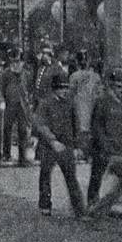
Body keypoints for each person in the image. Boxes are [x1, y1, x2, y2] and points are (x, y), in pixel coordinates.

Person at [32, 71, 87, 218]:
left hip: (66, 145)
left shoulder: (70, 102)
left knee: (71, 177)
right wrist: (51, 140)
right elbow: (40, 124)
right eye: (61, 88)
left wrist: (78, 146)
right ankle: (45, 205)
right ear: (54, 88)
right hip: (49, 146)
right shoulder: (45, 103)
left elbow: (76, 125)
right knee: (45, 175)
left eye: (65, 88)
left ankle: (79, 209)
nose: (64, 91)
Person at [87, 68, 122, 214]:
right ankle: (92, 204)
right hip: (104, 148)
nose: (120, 90)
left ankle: (103, 206)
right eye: (117, 86)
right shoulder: (102, 102)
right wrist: (104, 146)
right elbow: (96, 127)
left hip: (120, 148)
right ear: (110, 85)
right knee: (97, 176)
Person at [0, 49, 33, 167]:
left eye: (18, 62)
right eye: (13, 62)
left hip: (22, 106)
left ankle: (22, 158)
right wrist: (1, 101)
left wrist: (30, 102)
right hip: (9, 105)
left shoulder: (26, 74)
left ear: (22, 62)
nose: (15, 64)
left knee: (23, 131)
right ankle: (6, 154)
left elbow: (30, 89)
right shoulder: (5, 74)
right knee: (7, 129)